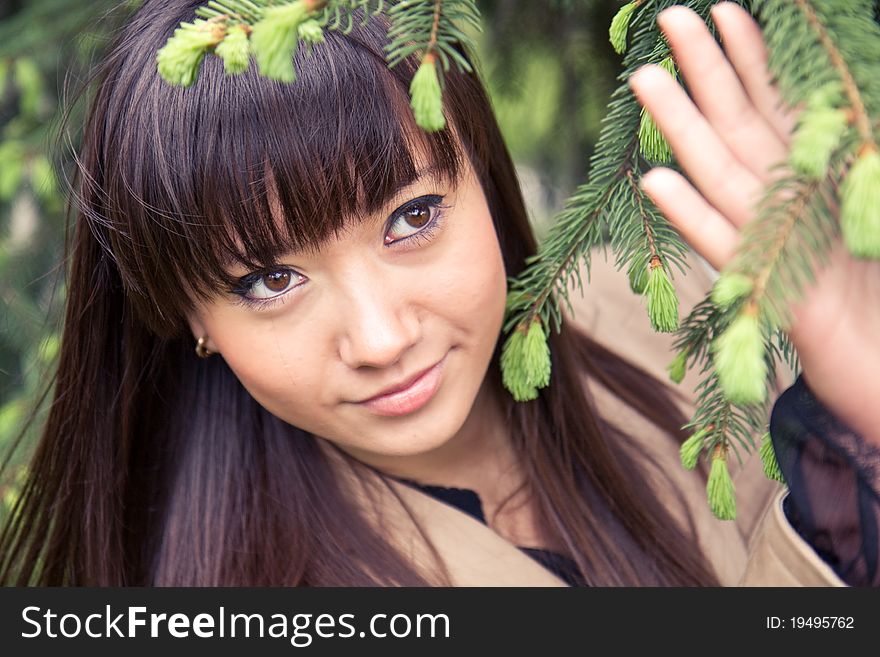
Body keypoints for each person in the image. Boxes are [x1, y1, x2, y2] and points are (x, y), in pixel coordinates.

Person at [0, 0, 876, 586]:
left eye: (412, 216)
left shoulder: (688, 308)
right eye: (271, 280)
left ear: (485, 182)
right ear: (190, 316)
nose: (380, 337)